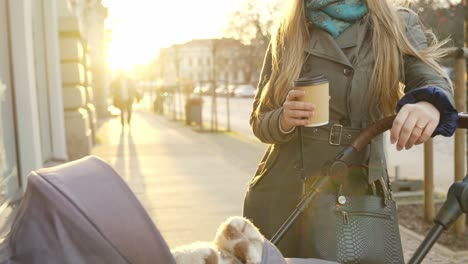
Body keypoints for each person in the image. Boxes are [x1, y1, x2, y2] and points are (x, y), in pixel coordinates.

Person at [243, 0, 458, 262]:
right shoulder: (289, 29)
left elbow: (430, 77)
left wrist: (429, 103)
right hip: (283, 192)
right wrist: (282, 119)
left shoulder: (396, 22)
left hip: (356, 187)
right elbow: (259, 119)